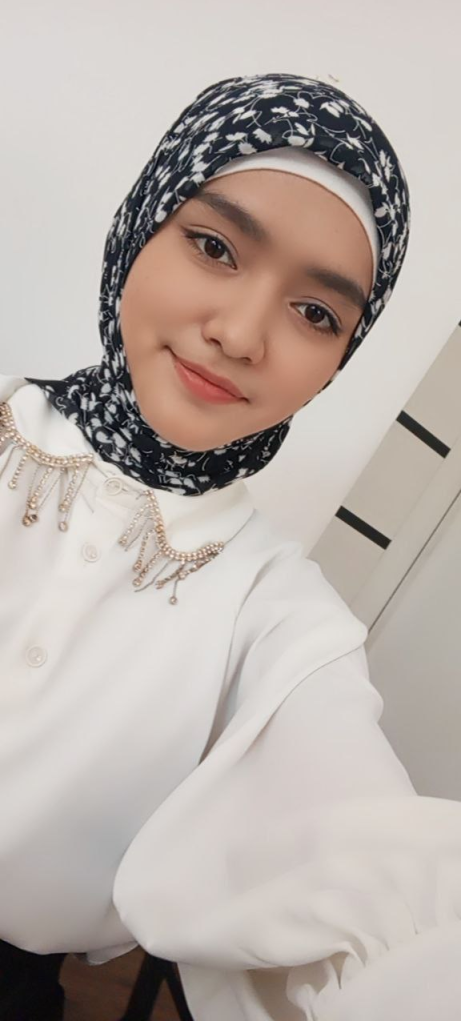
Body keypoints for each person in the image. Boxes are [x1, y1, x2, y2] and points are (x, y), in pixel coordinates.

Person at [0, 72, 460, 1021]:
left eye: (316, 313)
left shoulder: (282, 622)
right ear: (142, 223)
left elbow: (362, 857)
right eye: (213, 246)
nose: (241, 334)